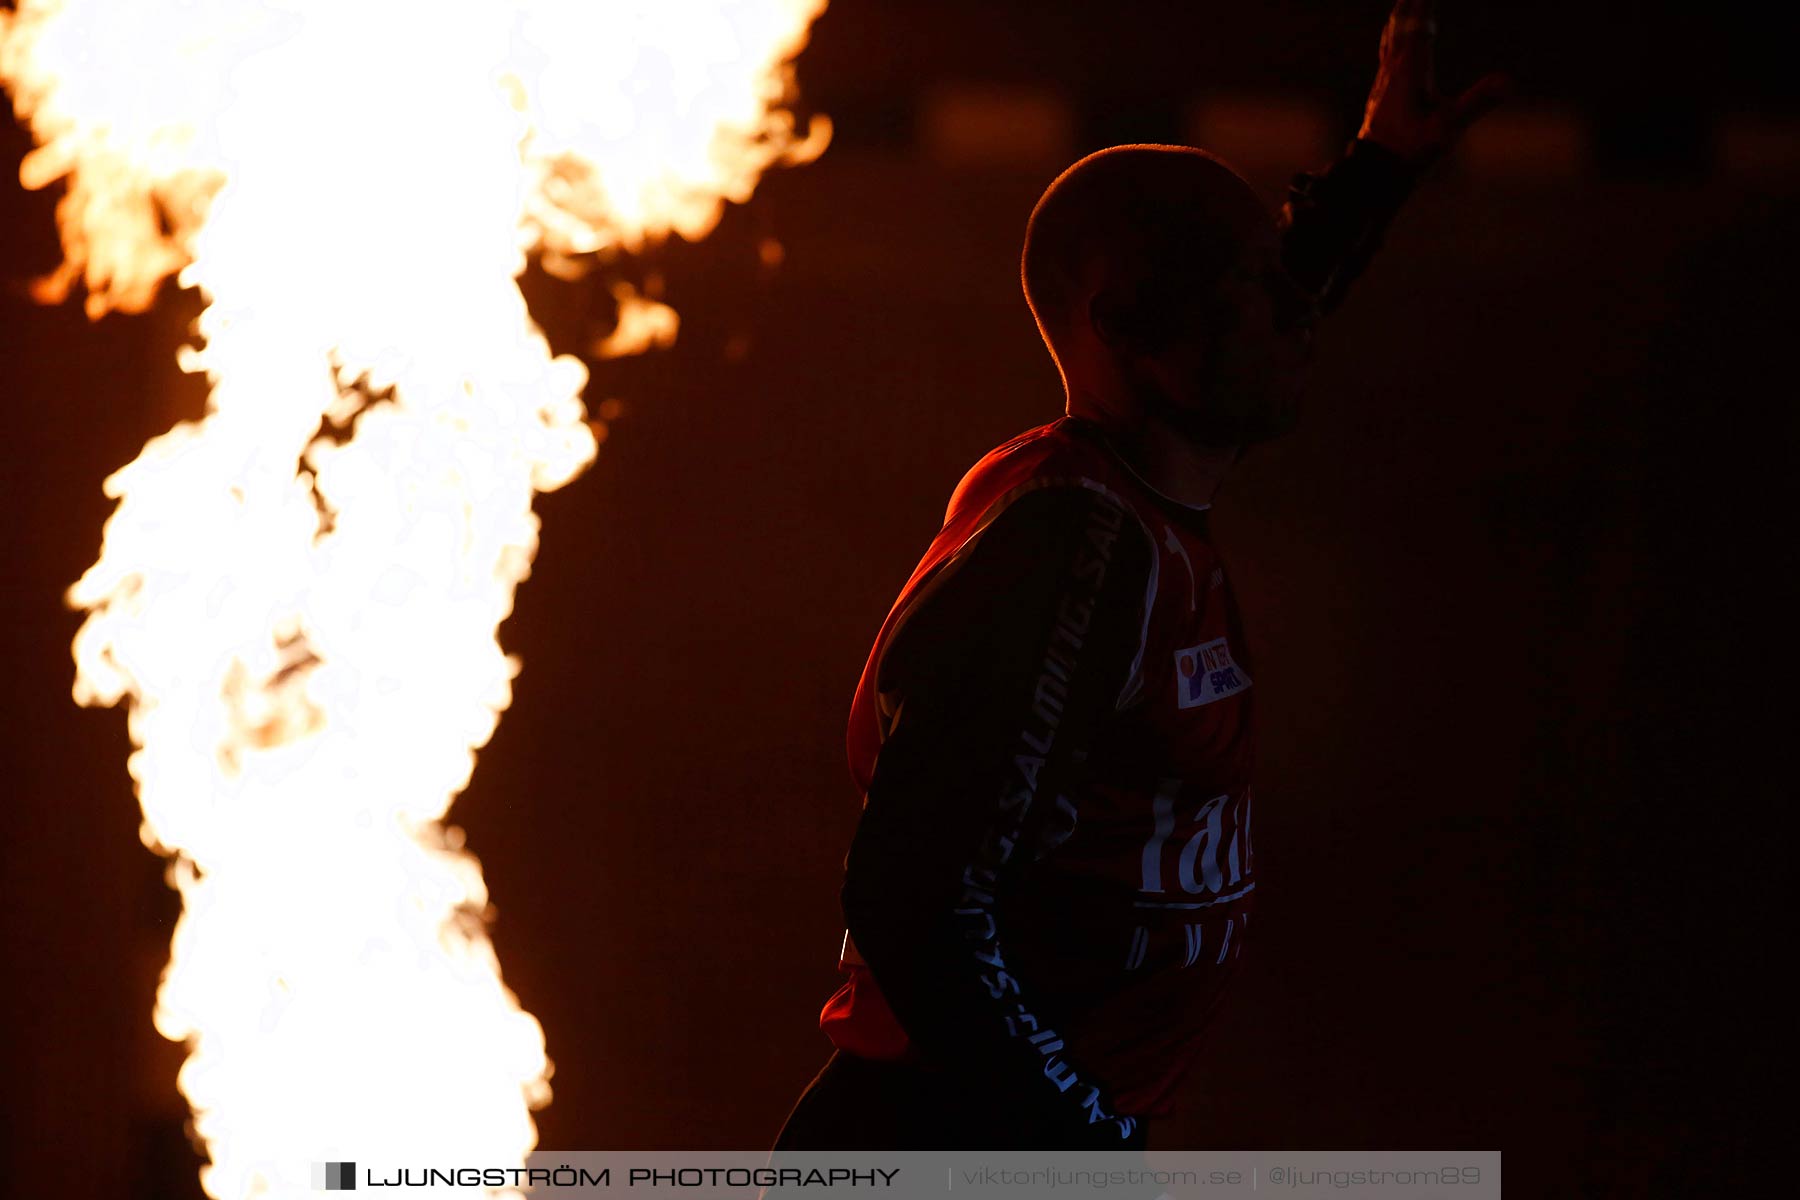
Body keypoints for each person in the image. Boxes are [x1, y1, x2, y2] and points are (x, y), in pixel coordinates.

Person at [772, 0, 1509, 1151]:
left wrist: (1376, 174)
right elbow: (916, 902)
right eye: (1262, 292)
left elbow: (1241, 314)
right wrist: (1074, 1141)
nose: (1299, 319)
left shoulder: (1133, 497)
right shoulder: (1072, 553)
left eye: (1287, 282)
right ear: (1128, 325)